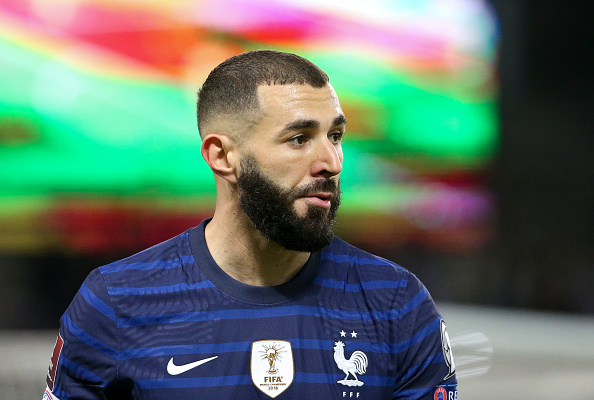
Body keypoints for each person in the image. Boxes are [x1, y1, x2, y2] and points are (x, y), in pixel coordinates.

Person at [43, 50, 457, 400]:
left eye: (335, 135)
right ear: (222, 156)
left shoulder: (395, 302)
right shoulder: (116, 302)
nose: (330, 162)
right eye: (299, 138)